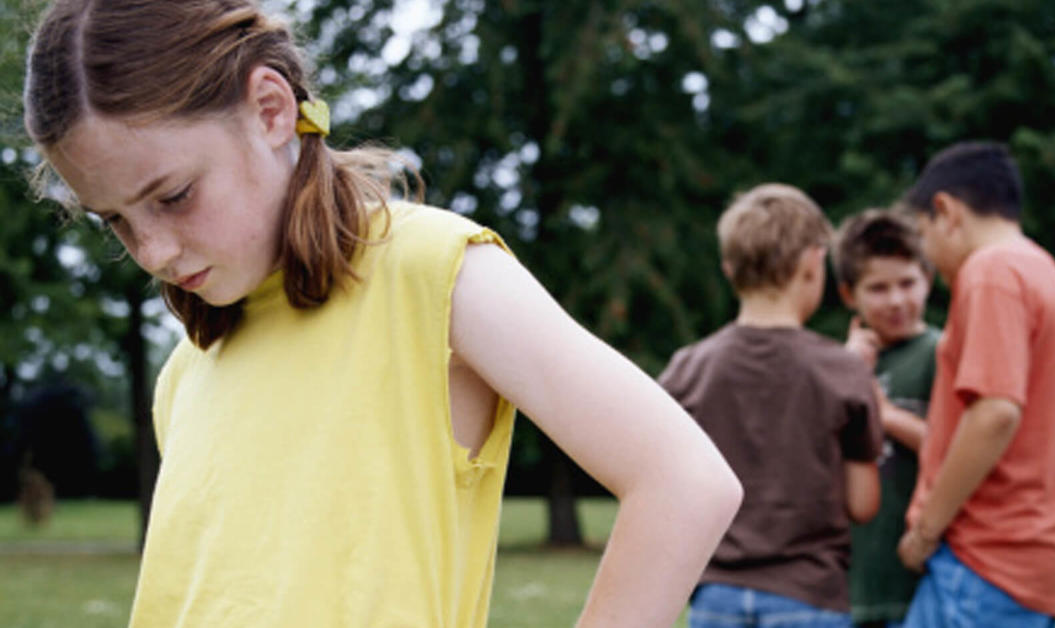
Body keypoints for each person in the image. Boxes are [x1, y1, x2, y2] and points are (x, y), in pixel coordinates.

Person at [22, 1, 743, 626]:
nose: (150, 251)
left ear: (270, 109)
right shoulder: (186, 369)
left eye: (173, 195)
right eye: (115, 220)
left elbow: (684, 481)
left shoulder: (435, 271)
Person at [658, 183, 884, 628]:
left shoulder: (687, 368)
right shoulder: (844, 371)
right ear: (813, 262)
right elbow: (862, 503)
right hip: (809, 595)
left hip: (715, 597)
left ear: (729, 269)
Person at [895, 142, 1055, 627]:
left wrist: (926, 529)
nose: (928, 257)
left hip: (987, 556)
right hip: (1038, 556)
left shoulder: (991, 272)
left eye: (923, 233)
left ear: (946, 211)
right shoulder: (1048, 276)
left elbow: (995, 412)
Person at [832, 209, 940, 628]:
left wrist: (885, 413)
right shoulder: (841, 362)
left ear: (928, 279)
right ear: (849, 294)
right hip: (850, 583)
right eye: (878, 288)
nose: (896, 300)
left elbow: (958, 448)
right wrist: (843, 378)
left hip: (918, 581)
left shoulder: (940, 353)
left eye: (907, 283)